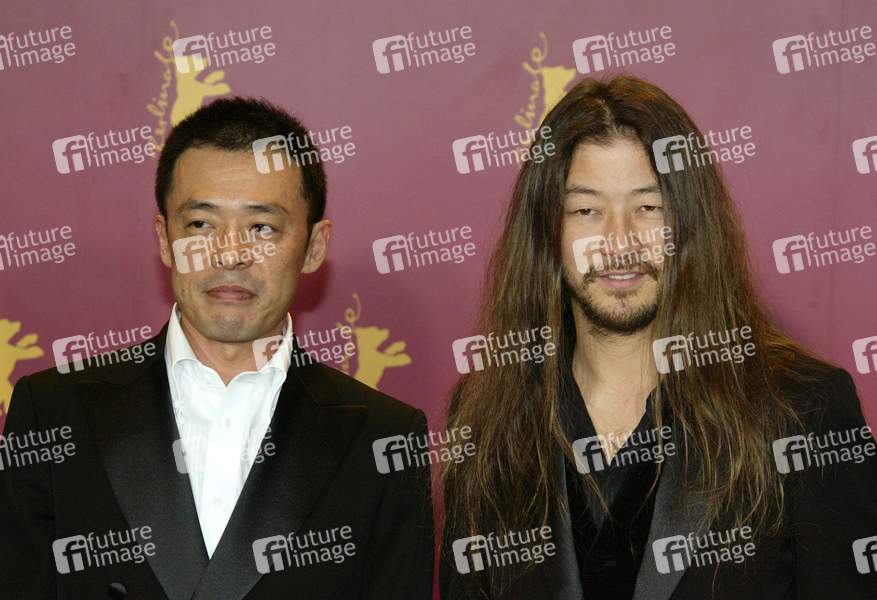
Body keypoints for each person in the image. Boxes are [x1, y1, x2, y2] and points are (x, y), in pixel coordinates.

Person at [439, 76, 877, 599]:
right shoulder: (487, 417)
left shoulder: (803, 408)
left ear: (691, 222)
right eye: (586, 210)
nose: (619, 241)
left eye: (649, 207)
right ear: (546, 233)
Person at [0, 97, 434, 600]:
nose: (230, 254)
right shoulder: (52, 411)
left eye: (262, 227)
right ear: (165, 239)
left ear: (314, 247)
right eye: (201, 225)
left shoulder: (385, 438)